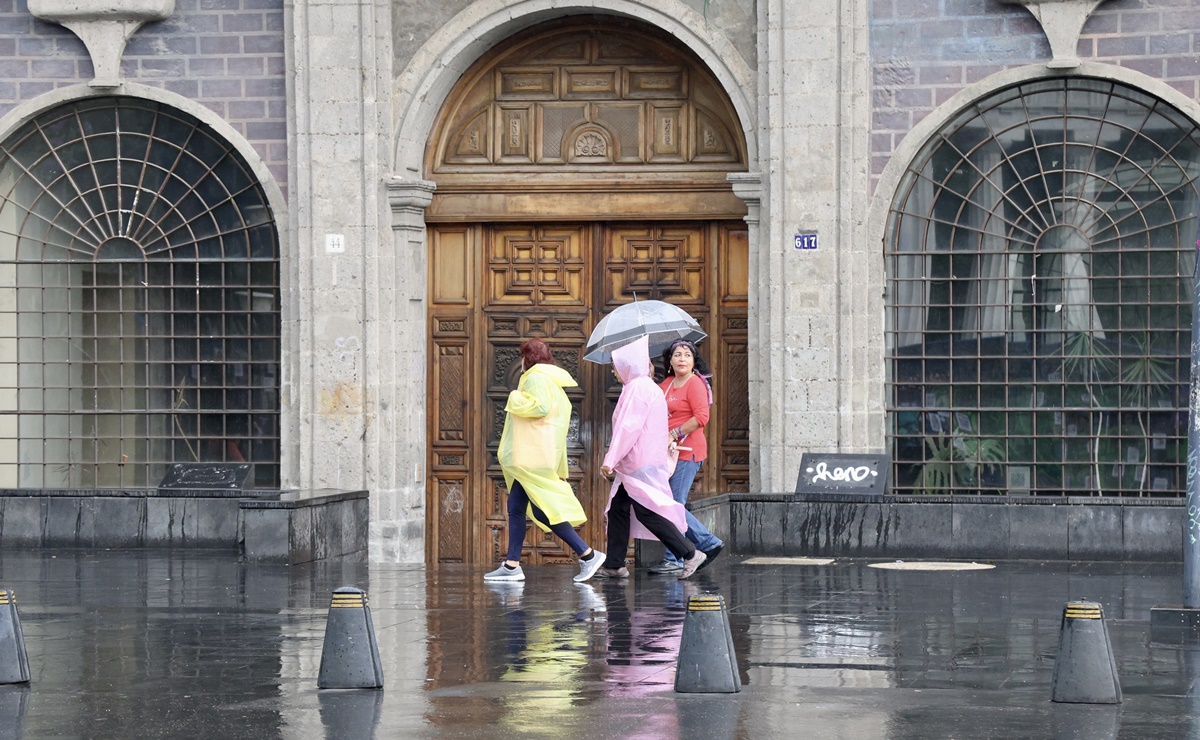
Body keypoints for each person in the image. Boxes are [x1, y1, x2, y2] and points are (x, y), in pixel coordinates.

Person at [485, 339, 605, 583]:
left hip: (530, 458)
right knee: (518, 507)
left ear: (526, 358)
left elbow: (539, 408)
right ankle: (512, 565)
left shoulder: (534, 378)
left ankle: (588, 554)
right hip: (537, 456)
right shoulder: (553, 383)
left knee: (542, 511)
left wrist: (514, 398)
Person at [596, 336, 706, 580]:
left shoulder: (638, 389)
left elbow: (628, 428)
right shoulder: (644, 387)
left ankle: (690, 553)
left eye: (617, 365)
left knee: (646, 511)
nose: (615, 370)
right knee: (618, 508)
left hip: (638, 462)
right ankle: (614, 563)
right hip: (639, 461)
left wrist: (610, 460)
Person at [649, 339, 725, 574]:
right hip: (667, 452)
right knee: (668, 504)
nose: (682, 359)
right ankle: (705, 544)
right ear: (670, 361)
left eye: (687, 355)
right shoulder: (667, 384)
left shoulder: (696, 384)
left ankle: (677, 558)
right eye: (677, 355)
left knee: (674, 504)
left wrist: (675, 432)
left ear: (694, 361)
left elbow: (702, 417)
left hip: (688, 451)